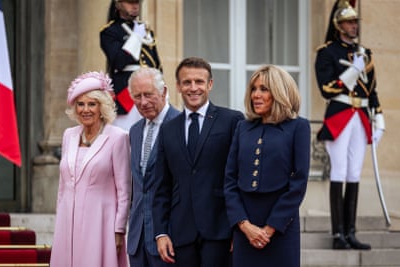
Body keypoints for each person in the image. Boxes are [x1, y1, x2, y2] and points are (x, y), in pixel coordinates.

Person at [152, 57, 244, 266]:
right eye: (187, 82)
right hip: (180, 234)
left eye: (199, 82)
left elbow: (240, 177)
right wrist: (160, 232)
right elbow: (161, 186)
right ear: (178, 86)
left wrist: (239, 227)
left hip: (221, 231)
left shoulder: (232, 121)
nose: (193, 88)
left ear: (210, 84)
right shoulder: (168, 129)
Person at [224, 65, 311, 267]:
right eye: (253, 89)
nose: (256, 95)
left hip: (280, 228)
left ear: (280, 92)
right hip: (245, 228)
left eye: (264, 89)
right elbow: (229, 180)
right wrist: (245, 226)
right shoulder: (243, 128)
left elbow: (298, 182)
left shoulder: (298, 127)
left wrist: (269, 229)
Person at [314, 0, 384, 250]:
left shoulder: (365, 53)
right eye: (349, 22)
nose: (354, 26)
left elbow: (371, 89)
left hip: (361, 115)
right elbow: (326, 88)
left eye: (355, 22)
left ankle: (351, 232)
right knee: (339, 171)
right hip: (340, 113)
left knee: (354, 173)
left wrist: (379, 117)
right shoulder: (327, 52)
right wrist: (350, 73)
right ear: (338, 24)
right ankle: (337, 235)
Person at [50, 71, 131, 267]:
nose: (85, 110)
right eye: (81, 104)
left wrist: (119, 230)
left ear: (102, 106)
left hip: (101, 223)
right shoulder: (69, 135)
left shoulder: (117, 137)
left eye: (92, 104)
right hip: (67, 221)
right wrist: (60, 217)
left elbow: (124, 190)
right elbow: (63, 186)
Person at [127, 67, 180, 267]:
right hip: (137, 238)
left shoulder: (181, 125)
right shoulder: (134, 131)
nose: (143, 102)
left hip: (169, 237)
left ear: (164, 92)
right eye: (137, 96)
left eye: (148, 94)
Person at [100, 0, 162, 131]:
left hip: (151, 88)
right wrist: (136, 37)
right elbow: (119, 62)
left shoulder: (146, 30)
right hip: (126, 92)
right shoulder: (110, 31)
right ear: (118, 4)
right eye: (130, 2)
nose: (135, 6)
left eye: (137, 3)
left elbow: (156, 64)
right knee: (126, 135)